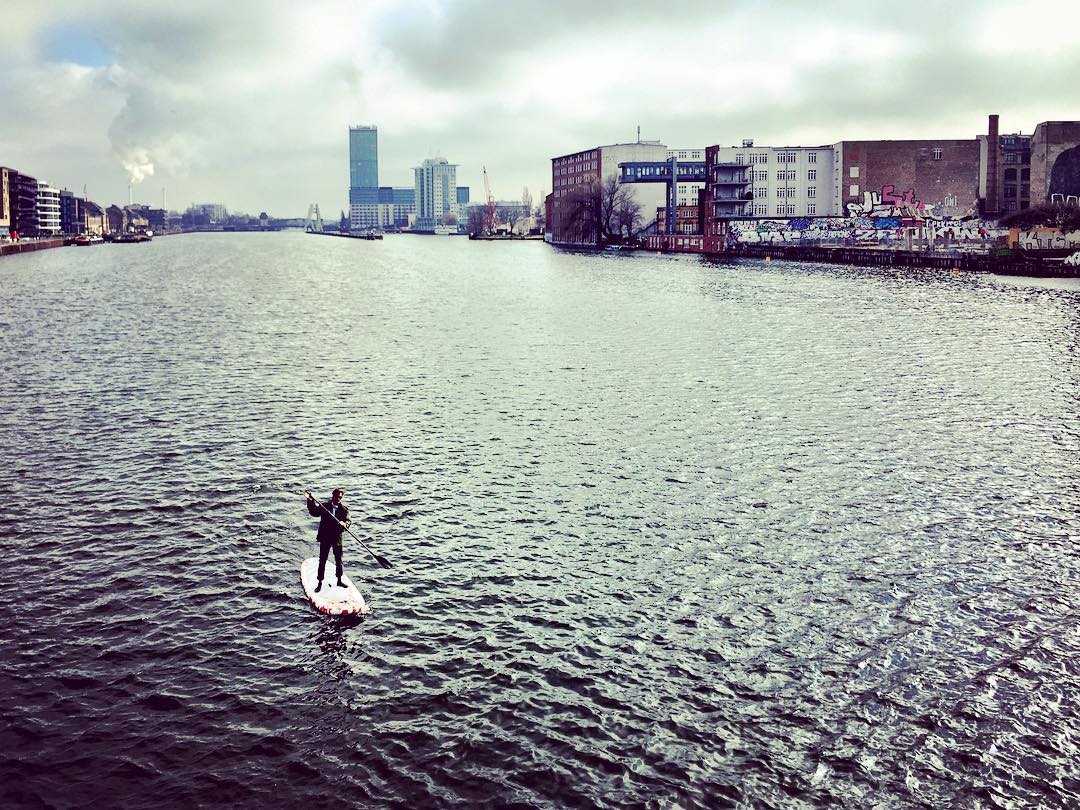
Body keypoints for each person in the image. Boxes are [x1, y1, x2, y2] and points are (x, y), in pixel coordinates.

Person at [305, 488, 350, 592]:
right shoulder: (325, 507)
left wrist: (345, 524)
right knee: (322, 561)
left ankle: (339, 580)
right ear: (333, 496)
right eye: (337, 497)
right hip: (325, 538)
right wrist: (310, 500)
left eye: (340, 497)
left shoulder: (344, 510)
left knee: (339, 561)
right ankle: (320, 582)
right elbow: (313, 512)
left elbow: (348, 521)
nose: (338, 499)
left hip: (337, 539)